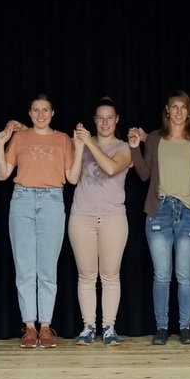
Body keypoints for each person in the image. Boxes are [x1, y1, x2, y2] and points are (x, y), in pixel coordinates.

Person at [129, 91, 190, 346]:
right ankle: (162, 328)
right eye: (174, 107)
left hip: (188, 211)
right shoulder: (155, 138)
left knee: (185, 275)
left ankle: (185, 328)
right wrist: (134, 148)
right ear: (167, 110)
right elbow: (144, 174)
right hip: (160, 210)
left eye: (183, 107)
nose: (178, 112)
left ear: (189, 111)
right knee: (162, 275)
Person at [0, 95, 74, 347]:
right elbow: (3, 174)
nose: (41, 115)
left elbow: (72, 177)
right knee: (25, 267)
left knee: (48, 268)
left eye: (45, 110)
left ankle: (46, 326)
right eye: (36, 110)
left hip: (52, 200)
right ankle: (29, 326)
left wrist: (82, 146)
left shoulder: (63, 139)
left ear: (52, 113)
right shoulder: (20, 137)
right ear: (30, 113)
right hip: (23, 199)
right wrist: (0, 143)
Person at [67, 99, 132, 345]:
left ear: (117, 120)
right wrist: (78, 147)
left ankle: (109, 327)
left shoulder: (124, 147)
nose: (105, 122)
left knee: (110, 275)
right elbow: (72, 178)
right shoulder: (82, 144)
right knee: (86, 275)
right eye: (100, 118)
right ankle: (88, 327)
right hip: (82, 216)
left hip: (113, 217)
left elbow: (112, 168)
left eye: (109, 118)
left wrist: (90, 144)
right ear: (94, 120)